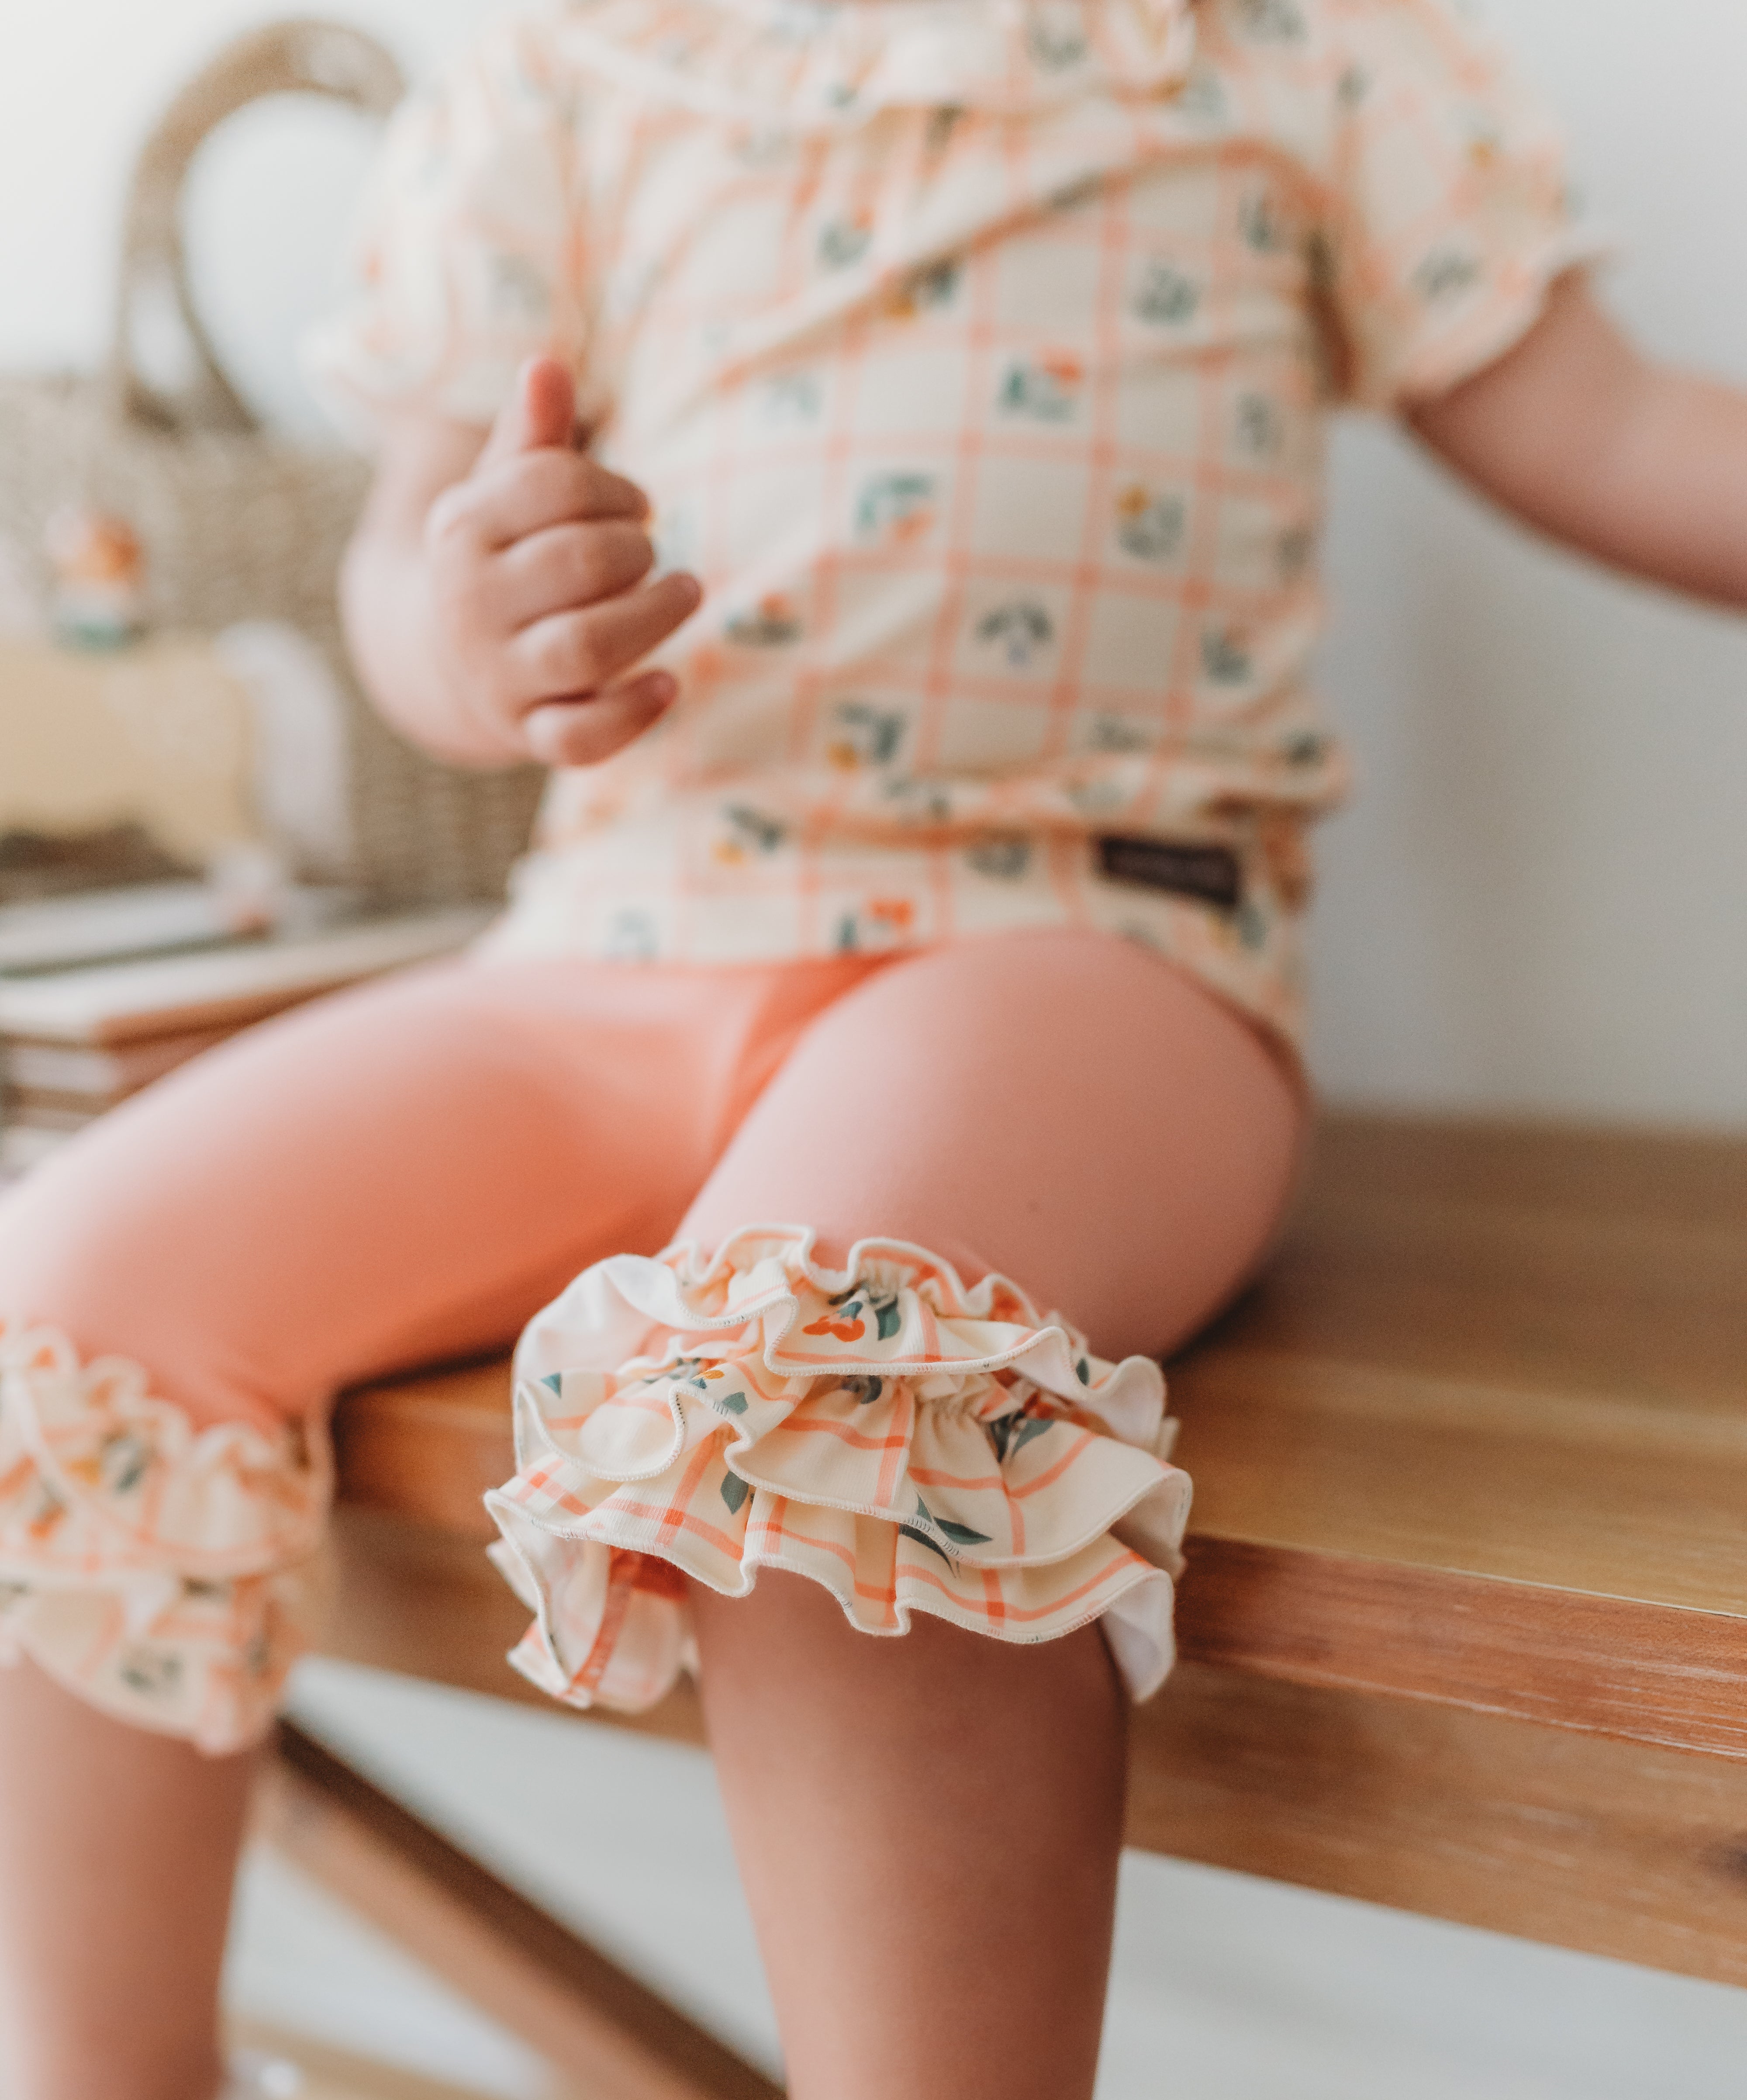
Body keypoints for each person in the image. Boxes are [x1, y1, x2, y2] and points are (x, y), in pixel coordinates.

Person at [3, 2, 1745, 2096]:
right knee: (70, 1296)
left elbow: (1618, 430)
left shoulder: (1284, 42)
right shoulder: (578, 67)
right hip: (618, 943)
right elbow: (406, 544)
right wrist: (461, 638)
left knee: (832, 1370)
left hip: (1068, 939)